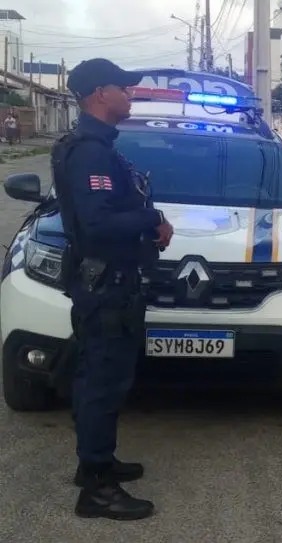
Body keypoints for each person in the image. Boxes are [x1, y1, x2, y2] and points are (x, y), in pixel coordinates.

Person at [54, 58, 175, 520]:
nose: (131, 93)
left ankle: (97, 466)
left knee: (101, 379)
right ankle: (97, 489)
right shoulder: (90, 152)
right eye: (124, 87)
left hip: (109, 284)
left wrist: (150, 218)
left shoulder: (99, 147)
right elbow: (99, 224)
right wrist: (152, 220)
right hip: (106, 287)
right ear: (100, 93)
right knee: (101, 385)